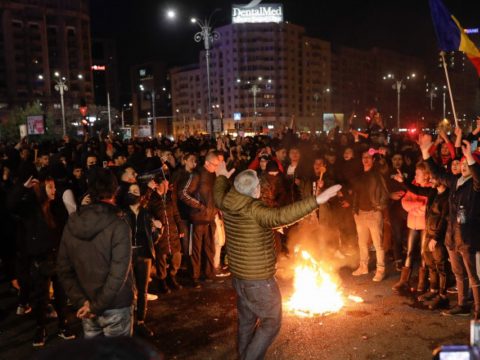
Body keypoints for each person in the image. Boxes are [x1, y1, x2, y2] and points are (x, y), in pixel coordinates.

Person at [214, 162, 340, 360]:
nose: (260, 188)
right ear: (253, 191)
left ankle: (244, 356)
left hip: (239, 278)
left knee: (246, 322)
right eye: (258, 186)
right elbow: (282, 215)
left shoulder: (226, 201)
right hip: (259, 281)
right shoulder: (254, 209)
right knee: (271, 322)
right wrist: (317, 200)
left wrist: (221, 175)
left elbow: (219, 191)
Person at [57, 168, 135, 337]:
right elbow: (119, 273)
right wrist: (94, 306)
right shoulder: (118, 225)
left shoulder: (73, 223)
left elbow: (64, 270)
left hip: (87, 304)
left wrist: (83, 302)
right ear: (115, 190)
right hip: (114, 305)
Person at [420, 135, 480, 319]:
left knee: (472, 274)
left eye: (466, 165)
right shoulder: (455, 182)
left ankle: (478, 308)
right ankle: (461, 304)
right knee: (457, 272)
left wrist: (470, 156)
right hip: (452, 236)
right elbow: (438, 174)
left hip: (467, 237)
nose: (463, 166)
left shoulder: (475, 185)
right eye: (461, 164)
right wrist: (425, 154)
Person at [351, 150, 389, 281]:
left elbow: (384, 170)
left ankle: (380, 270)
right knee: (362, 243)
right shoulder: (360, 175)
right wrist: (355, 210)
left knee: (378, 244)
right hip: (360, 213)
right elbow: (356, 192)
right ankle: (363, 266)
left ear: (373, 160)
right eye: (364, 157)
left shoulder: (378, 174)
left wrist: (379, 207)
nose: (365, 159)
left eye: (368, 157)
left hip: (373, 213)